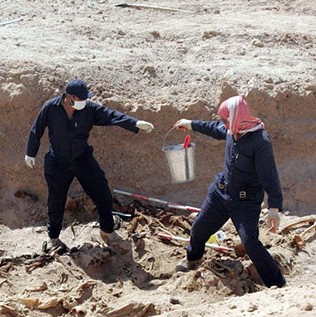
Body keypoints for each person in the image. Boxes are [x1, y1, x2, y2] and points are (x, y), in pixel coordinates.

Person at [25, 79, 154, 253]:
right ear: (69, 97)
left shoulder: (88, 109)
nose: (84, 102)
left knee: (102, 192)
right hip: (58, 162)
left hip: (82, 159)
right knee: (56, 201)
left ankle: (107, 231)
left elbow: (111, 115)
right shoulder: (50, 108)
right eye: (80, 99)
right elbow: (36, 130)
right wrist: (30, 153)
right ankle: (53, 238)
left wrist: (134, 123)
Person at [173, 95, 286, 288]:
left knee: (250, 242)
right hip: (221, 192)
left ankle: (277, 283)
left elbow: (270, 176)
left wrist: (274, 207)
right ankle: (193, 260)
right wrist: (190, 124)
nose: (224, 123)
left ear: (237, 117)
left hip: (245, 201)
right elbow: (213, 127)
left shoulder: (260, 142)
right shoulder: (231, 129)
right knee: (199, 228)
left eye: (226, 119)